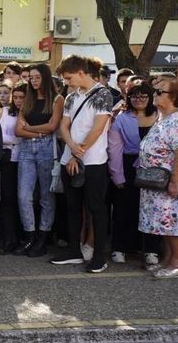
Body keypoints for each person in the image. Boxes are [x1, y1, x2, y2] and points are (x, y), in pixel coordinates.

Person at [50, 55, 112, 273]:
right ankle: (74, 250)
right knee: (72, 207)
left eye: (68, 78)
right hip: (70, 159)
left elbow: (98, 128)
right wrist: (72, 149)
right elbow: (63, 126)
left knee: (96, 208)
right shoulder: (70, 97)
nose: (66, 82)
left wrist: (79, 153)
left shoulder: (103, 94)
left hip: (94, 161)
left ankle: (98, 257)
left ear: (81, 72)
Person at [138, 78, 178, 279]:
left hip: (175, 180)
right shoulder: (163, 117)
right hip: (160, 182)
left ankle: (177, 264)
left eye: (159, 91)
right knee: (165, 223)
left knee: (175, 223)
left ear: (173, 97)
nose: (154, 94)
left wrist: (176, 181)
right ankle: (167, 260)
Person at [14, 63, 65, 257]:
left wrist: (30, 129)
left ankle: (43, 237)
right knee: (23, 195)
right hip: (26, 150)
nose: (33, 81)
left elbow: (52, 127)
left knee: (46, 196)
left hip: (47, 150)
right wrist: (37, 131)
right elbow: (17, 131)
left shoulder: (57, 99)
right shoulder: (28, 99)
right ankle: (30, 235)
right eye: (31, 78)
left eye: (37, 77)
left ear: (45, 77)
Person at [108, 80, 160, 268]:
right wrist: (117, 175)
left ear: (151, 97)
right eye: (134, 96)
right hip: (127, 166)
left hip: (154, 168)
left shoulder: (160, 116)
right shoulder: (121, 118)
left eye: (143, 95)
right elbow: (114, 149)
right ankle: (119, 247)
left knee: (152, 210)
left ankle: (151, 250)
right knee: (124, 209)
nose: (139, 99)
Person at [0, 81, 26, 254]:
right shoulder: (6, 111)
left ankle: (22, 236)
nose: (18, 100)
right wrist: (16, 136)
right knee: (6, 199)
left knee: (22, 199)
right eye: (15, 97)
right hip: (7, 160)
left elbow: (19, 136)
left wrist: (16, 136)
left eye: (21, 97)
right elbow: (3, 136)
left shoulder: (29, 113)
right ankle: (9, 238)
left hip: (24, 159)